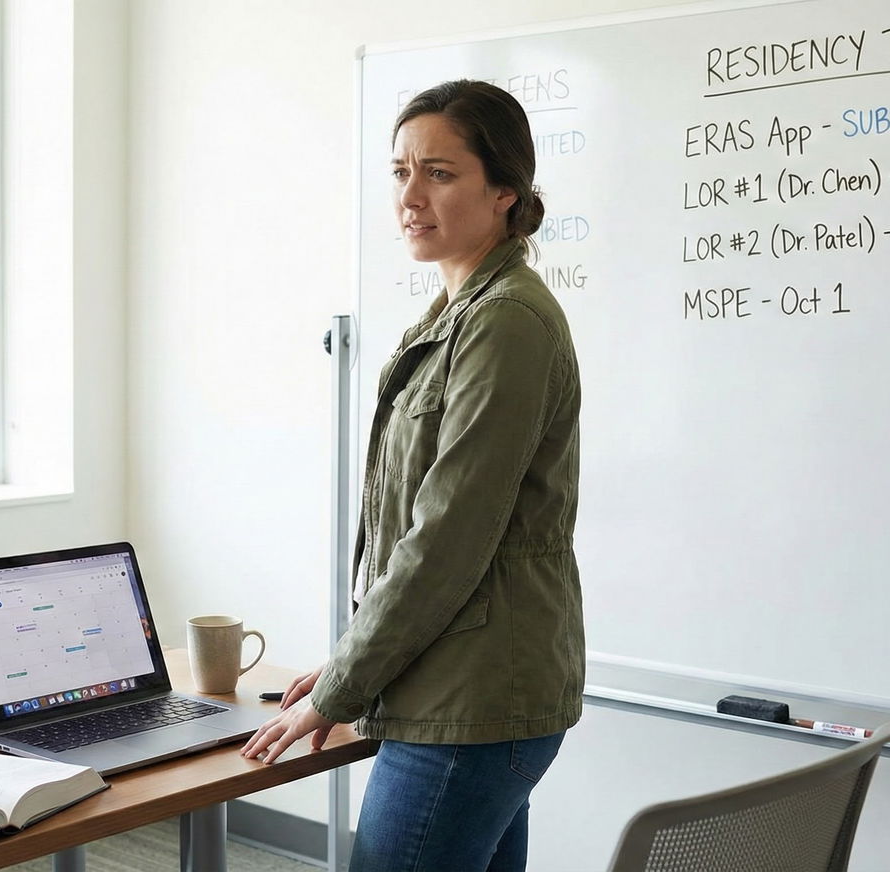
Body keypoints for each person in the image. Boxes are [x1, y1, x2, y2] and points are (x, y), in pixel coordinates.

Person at [242, 79, 584, 872]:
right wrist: (350, 665)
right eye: (401, 172)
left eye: (440, 173)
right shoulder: (456, 314)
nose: (410, 197)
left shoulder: (505, 322)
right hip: (466, 690)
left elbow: (444, 541)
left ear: (504, 191)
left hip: (471, 702)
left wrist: (342, 687)